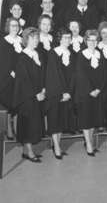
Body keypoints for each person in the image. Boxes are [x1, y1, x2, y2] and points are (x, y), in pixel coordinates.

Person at [12, 27, 46, 163]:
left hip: (39, 95)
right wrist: (35, 94)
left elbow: (42, 74)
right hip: (27, 97)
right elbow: (23, 81)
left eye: (37, 38)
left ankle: (28, 151)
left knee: (35, 124)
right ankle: (29, 152)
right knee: (28, 125)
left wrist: (43, 90)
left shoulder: (37, 54)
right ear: (26, 40)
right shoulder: (22, 57)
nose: (36, 40)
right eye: (33, 38)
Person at [45, 28, 77, 159]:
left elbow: (74, 75)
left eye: (69, 37)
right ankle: (56, 146)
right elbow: (53, 75)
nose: (67, 40)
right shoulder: (53, 53)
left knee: (61, 120)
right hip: (56, 93)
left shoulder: (72, 54)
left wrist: (69, 92)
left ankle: (57, 144)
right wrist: (62, 93)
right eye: (65, 38)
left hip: (68, 93)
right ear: (59, 39)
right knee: (54, 119)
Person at [74, 30, 105, 156]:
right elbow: (81, 76)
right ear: (86, 41)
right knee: (86, 119)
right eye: (90, 40)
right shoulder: (81, 55)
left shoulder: (100, 54)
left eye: (95, 40)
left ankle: (89, 142)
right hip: (85, 93)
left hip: (97, 93)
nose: (92, 42)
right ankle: (89, 144)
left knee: (94, 119)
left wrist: (98, 89)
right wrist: (90, 90)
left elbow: (104, 74)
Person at [0, 17, 23, 140]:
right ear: (8, 27)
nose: (15, 28)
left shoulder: (22, 41)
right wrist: (11, 72)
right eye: (12, 26)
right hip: (7, 79)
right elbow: (1, 61)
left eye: (16, 26)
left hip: (20, 78)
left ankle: (17, 128)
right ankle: (9, 130)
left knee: (18, 104)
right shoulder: (4, 41)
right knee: (7, 104)